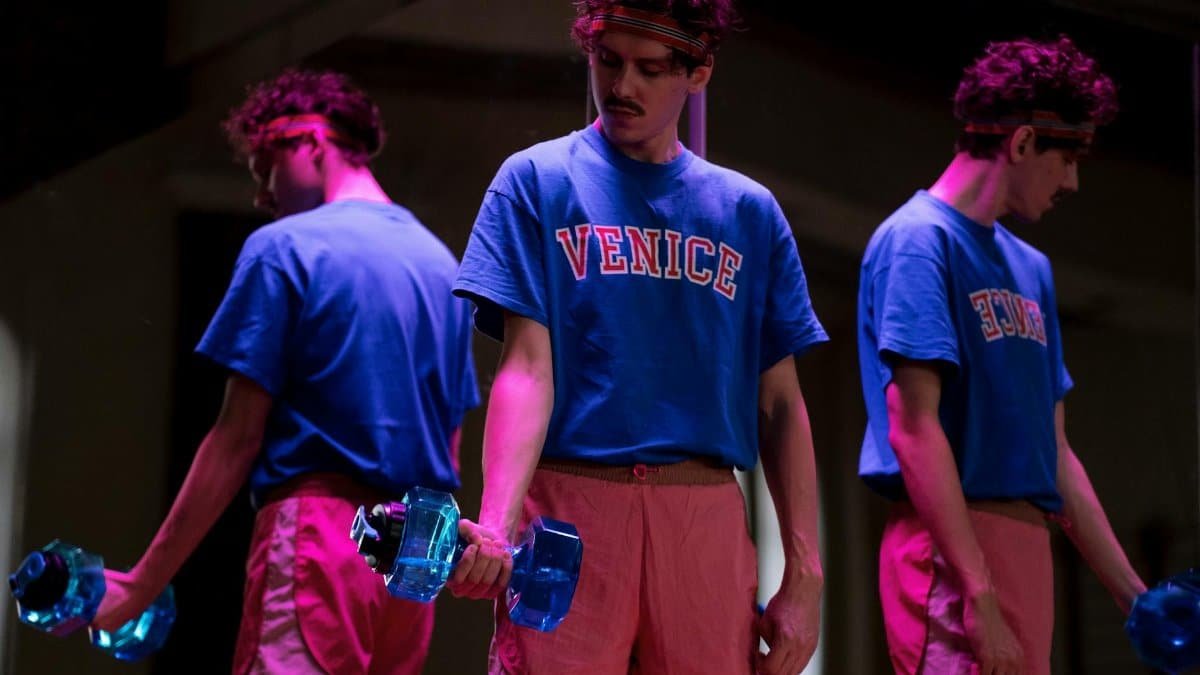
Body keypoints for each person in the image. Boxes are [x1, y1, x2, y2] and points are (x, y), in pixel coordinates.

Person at [448, 2, 827, 673]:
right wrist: (498, 526)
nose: (623, 87)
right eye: (608, 61)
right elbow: (526, 368)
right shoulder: (537, 182)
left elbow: (780, 404)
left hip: (702, 513)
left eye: (650, 70)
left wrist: (806, 572)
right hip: (570, 508)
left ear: (698, 71)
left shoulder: (747, 213)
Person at [91, 69, 480, 674]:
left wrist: (141, 585)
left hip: (318, 543)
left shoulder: (284, 247)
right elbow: (451, 439)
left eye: (265, 170)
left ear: (310, 141)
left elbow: (235, 437)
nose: (263, 196)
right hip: (408, 562)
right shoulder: (441, 265)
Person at [856, 36, 1147, 675]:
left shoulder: (1031, 269)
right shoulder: (918, 242)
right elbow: (914, 430)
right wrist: (978, 596)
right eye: (1065, 158)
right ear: (1020, 144)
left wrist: (1134, 597)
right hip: (949, 556)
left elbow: (1056, 454)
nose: (1072, 180)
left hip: (1024, 548)